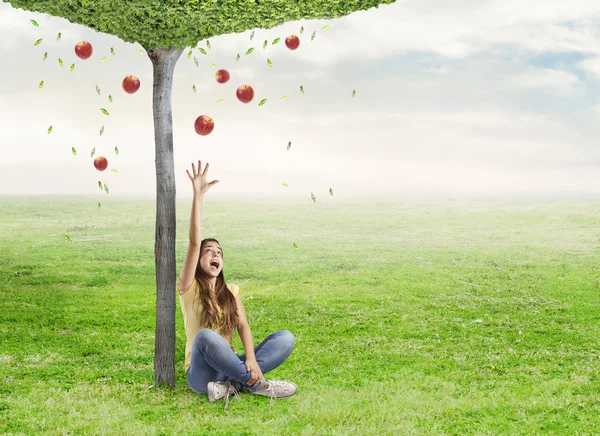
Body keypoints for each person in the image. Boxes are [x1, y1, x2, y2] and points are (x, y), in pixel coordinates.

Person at [178, 160, 298, 410]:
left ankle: (232, 385)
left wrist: (251, 359)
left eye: (219, 253)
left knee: (285, 339)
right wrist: (198, 196)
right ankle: (259, 386)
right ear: (198, 258)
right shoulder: (188, 287)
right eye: (209, 251)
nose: (215, 255)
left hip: (229, 365)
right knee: (205, 337)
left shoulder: (231, 291)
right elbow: (193, 240)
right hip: (202, 374)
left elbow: (242, 325)